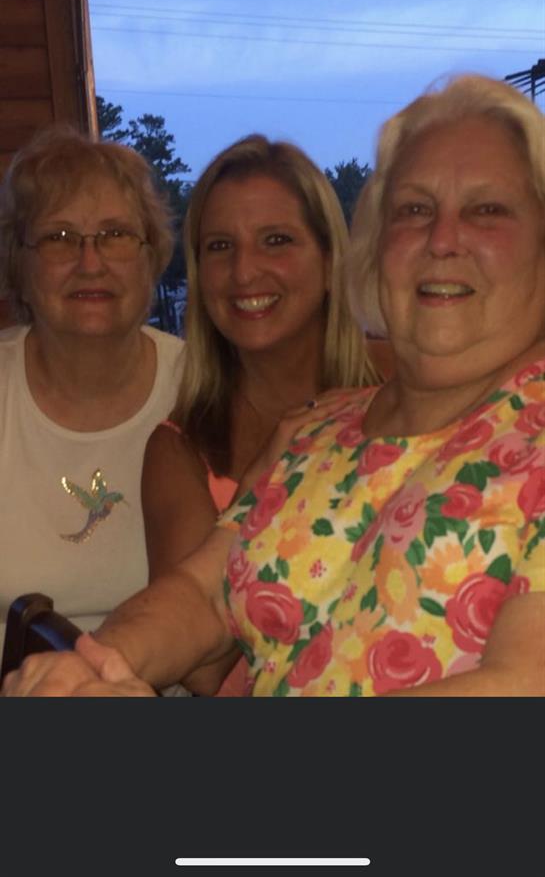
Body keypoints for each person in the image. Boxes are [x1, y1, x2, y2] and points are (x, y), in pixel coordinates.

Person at [4, 74, 544, 698]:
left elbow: (521, 683)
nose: (443, 240)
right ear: (373, 249)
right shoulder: (318, 431)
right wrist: (92, 664)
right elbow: (205, 590)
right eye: (414, 210)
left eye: (487, 210)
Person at [140, 134, 378, 695]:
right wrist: (264, 483)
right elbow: (201, 672)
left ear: (328, 262)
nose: (245, 271)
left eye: (276, 240)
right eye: (220, 246)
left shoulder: (402, 393)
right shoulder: (181, 449)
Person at [0, 125, 185, 659]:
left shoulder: (205, 387)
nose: (90, 261)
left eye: (116, 234)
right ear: (21, 264)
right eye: (59, 237)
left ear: (152, 256)